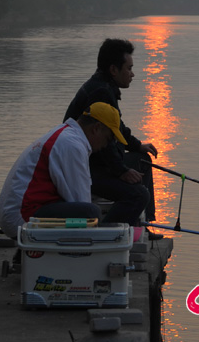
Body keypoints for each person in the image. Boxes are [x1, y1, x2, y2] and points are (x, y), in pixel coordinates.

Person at [63, 38, 162, 239]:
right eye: (129, 68)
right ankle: (103, 236)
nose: (133, 74)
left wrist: (137, 145)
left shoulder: (104, 87)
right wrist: (121, 172)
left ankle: (141, 225)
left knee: (141, 159)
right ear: (114, 70)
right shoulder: (100, 92)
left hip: (99, 163)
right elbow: (105, 143)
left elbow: (118, 127)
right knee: (137, 194)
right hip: (87, 168)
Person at [0, 102, 127, 240]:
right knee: (90, 213)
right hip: (21, 219)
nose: (107, 145)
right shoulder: (72, 145)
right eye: (109, 138)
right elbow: (80, 200)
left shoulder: (65, 134)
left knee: (88, 211)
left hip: (15, 213)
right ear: (97, 128)